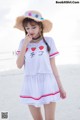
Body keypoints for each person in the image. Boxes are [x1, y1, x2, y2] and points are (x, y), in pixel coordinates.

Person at [14, 10, 66, 120]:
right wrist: (25, 44)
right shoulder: (22, 42)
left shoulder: (49, 41)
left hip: (48, 82)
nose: (30, 30)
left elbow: (53, 66)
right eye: (27, 28)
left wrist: (61, 87)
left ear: (40, 27)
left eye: (33, 27)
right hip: (30, 84)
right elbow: (19, 65)